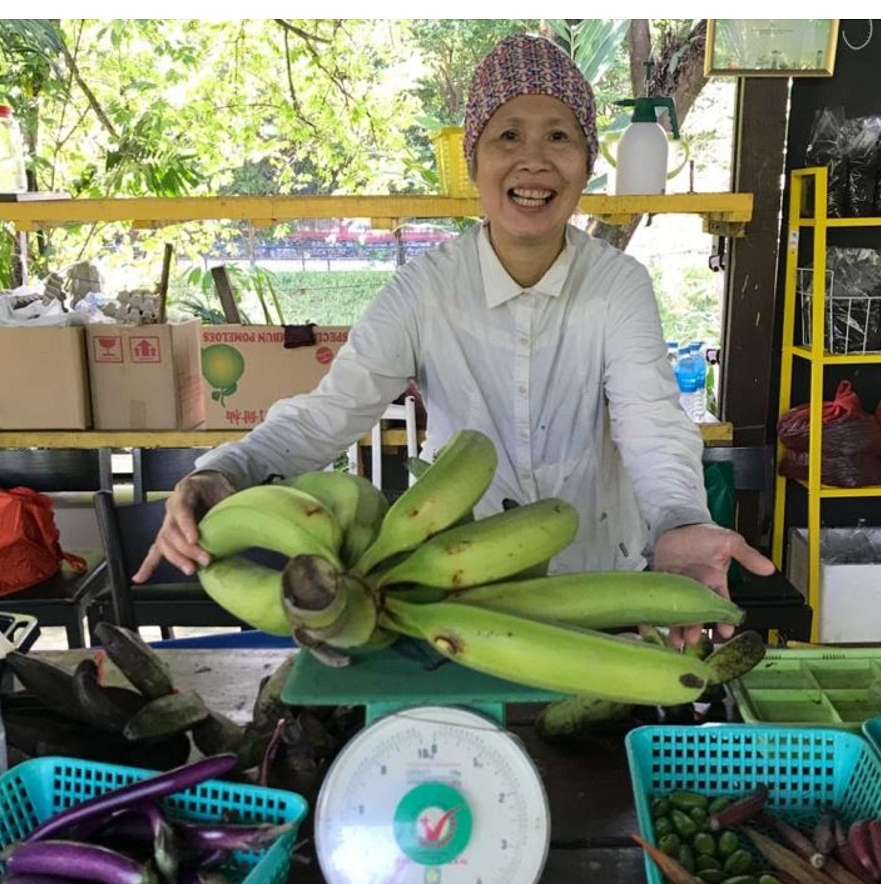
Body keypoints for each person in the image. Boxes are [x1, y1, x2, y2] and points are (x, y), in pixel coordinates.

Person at [135, 33, 774, 646]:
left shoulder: (617, 286)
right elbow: (330, 414)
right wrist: (227, 470)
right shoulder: (423, 292)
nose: (534, 160)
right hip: (460, 588)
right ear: (474, 161)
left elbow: (650, 421)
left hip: (600, 582)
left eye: (559, 136)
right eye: (507, 136)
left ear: (585, 164)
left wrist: (680, 521)